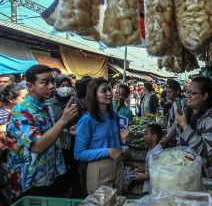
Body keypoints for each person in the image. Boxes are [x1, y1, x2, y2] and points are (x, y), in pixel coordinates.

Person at [6, 65, 78, 199]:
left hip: (49, 175)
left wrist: (64, 130)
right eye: (45, 82)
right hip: (30, 181)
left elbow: (47, 133)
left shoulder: (45, 105)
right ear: (30, 86)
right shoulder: (21, 112)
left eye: (52, 81)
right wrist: (63, 120)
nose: (52, 86)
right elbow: (37, 146)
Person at [175, 77, 212, 181]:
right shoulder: (188, 112)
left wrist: (185, 126)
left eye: (193, 93)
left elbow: (205, 151)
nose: (188, 96)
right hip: (193, 171)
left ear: (205, 95)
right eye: (187, 92)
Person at [74, 78, 124, 195]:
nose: (109, 93)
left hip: (117, 166)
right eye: (103, 91)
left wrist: (123, 139)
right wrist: (107, 151)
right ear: (95, 96)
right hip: (99, 168)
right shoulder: (87, 120)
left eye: (110, 90)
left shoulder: (114, 116)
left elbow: (116, 143)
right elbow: (79, 153)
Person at [134, 123, 163, 193]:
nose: (144, 136)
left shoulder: (157, 152)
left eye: (146, 134)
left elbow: (156, 173)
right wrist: (141, 169)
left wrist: (143, 177)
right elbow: (150, 166)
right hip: (149, 185)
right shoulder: (152, 149)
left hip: (154, 187)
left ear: (154, 137)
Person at [161, 79, 184, 148]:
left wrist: (166, 140)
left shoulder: (180, 103)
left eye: (170, 92)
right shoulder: (175, 102)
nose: (168, 95)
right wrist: (166, 130)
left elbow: (178, 125)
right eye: (167, 92)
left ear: (177, 91)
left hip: (177, 140)